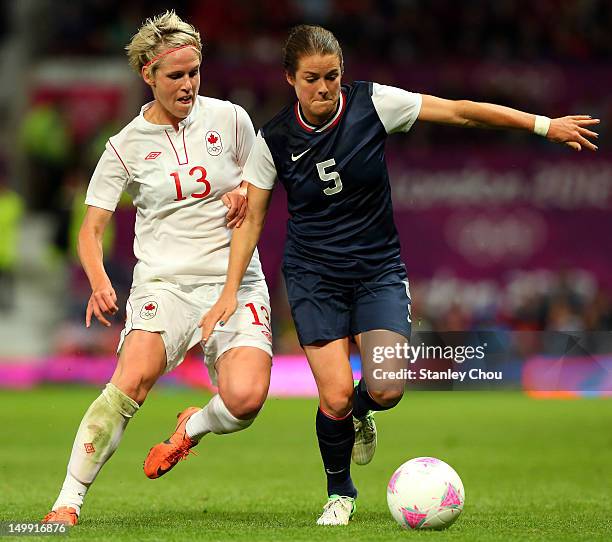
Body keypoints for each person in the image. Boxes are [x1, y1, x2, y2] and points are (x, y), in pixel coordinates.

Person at [200, 24, 600, 526]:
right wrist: (229, 292)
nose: (323, 88)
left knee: (387, 387)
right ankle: (339, 494)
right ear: (289, 78)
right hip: (313, 276)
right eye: (311, 79)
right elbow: (252, 219)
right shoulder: (274, 139)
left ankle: (363, 413)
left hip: (377, 269)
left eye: (332, 76)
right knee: (335, 395)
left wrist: (543, 125)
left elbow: (459, 111)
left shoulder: (373, 104)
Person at [42, 11, 272, 526]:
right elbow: (90, 229)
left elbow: (262, 182)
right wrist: (101, 282)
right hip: (164, 284)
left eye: (194, 72)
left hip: (235, 280)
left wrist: (243, 191)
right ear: (148, 74)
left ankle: (192, 428)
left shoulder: (232, 119)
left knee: (245, 400)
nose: (188, 84)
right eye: (176, 75)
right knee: (130, 380)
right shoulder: (123, 147)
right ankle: (67, 500)